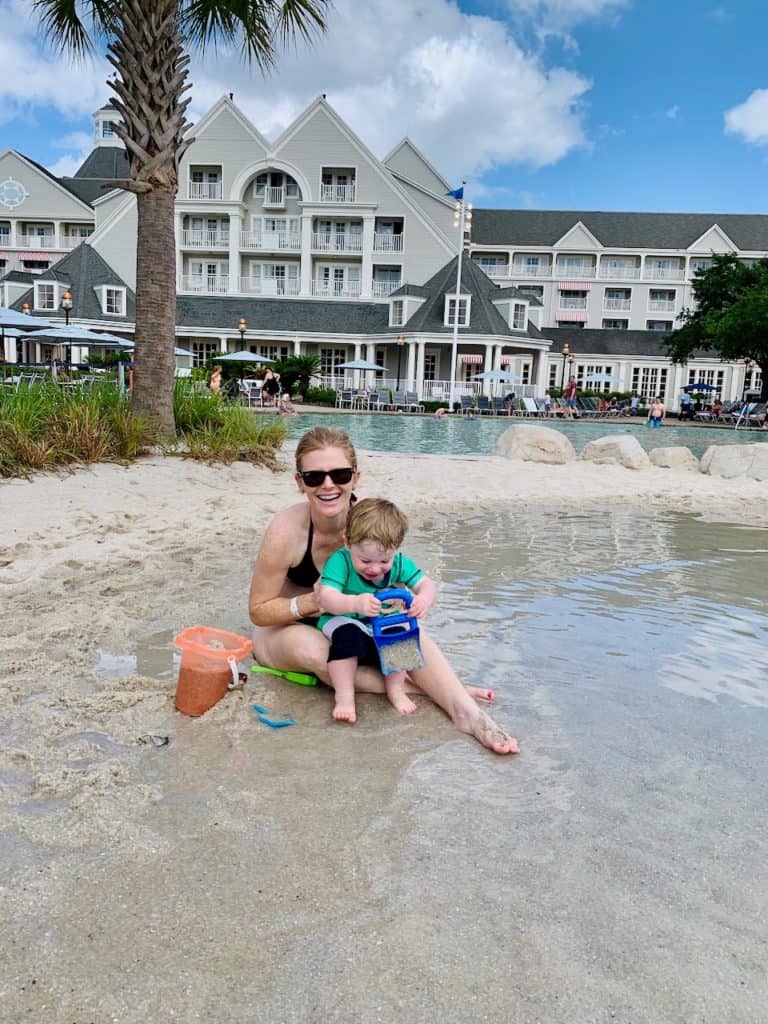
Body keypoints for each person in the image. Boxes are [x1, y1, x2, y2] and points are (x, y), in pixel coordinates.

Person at [248, 425, 519, 754]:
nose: (328, 485)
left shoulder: (372, 524)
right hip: (290, 626)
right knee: (321, 653)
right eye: (314, 477)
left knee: (407, 633)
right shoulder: (287, 532)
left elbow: (407, 579)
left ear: (355, 477)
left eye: (340, 474)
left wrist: (415, 601)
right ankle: (431, 689)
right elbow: (259, 611)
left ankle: (468, 714)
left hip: (358, 617)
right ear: (299, 482)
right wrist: (310, 601)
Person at [318, 498, 436, 723]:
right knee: (347, 638)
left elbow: (427, 585)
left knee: (401, 636)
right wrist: (354, 603)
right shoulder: (340, 561)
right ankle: (344, 697)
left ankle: (396, 690)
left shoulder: (400, 563)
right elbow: (327, 598)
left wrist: (423, 600)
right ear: (347, 543)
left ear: (395, 550)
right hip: (343, 617)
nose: (374, 568)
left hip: (380, 621)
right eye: (364, 560)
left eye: (384, 561)